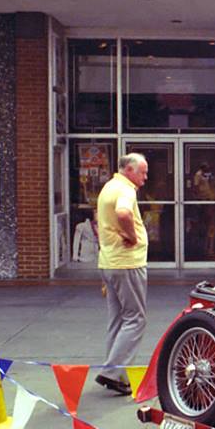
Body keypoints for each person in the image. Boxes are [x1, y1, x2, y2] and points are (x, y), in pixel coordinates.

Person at [95, 152, 149, 395]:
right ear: (129, 170)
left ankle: (114, 371)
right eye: (142, 172)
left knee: (118, 319)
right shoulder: (126, 190)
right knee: (135, 318)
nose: (145, 177)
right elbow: (124, 214)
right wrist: (132, 236)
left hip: (109, 262)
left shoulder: (109, 187)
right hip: (127, 263)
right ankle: (112, 372)